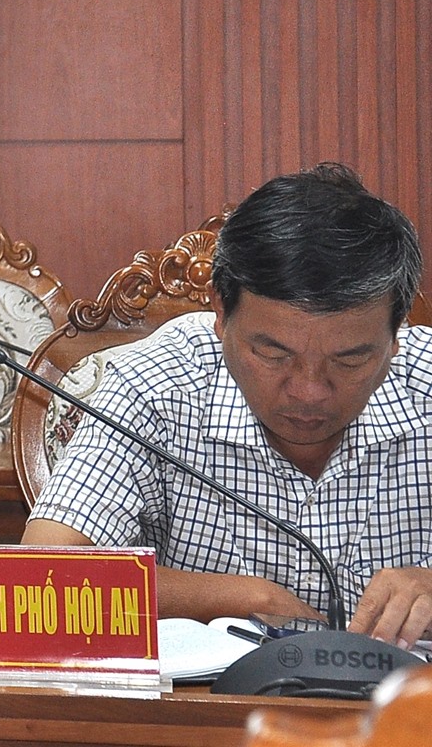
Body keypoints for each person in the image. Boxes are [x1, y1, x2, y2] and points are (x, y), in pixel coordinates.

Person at [24, 163, 432, 644]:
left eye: (350, 359)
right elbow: (45, 578)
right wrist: (244, 597)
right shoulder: (155, 384)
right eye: (274, 353)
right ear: (221, 313)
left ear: (397, 329)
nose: (308, 391)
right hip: (207, 711)